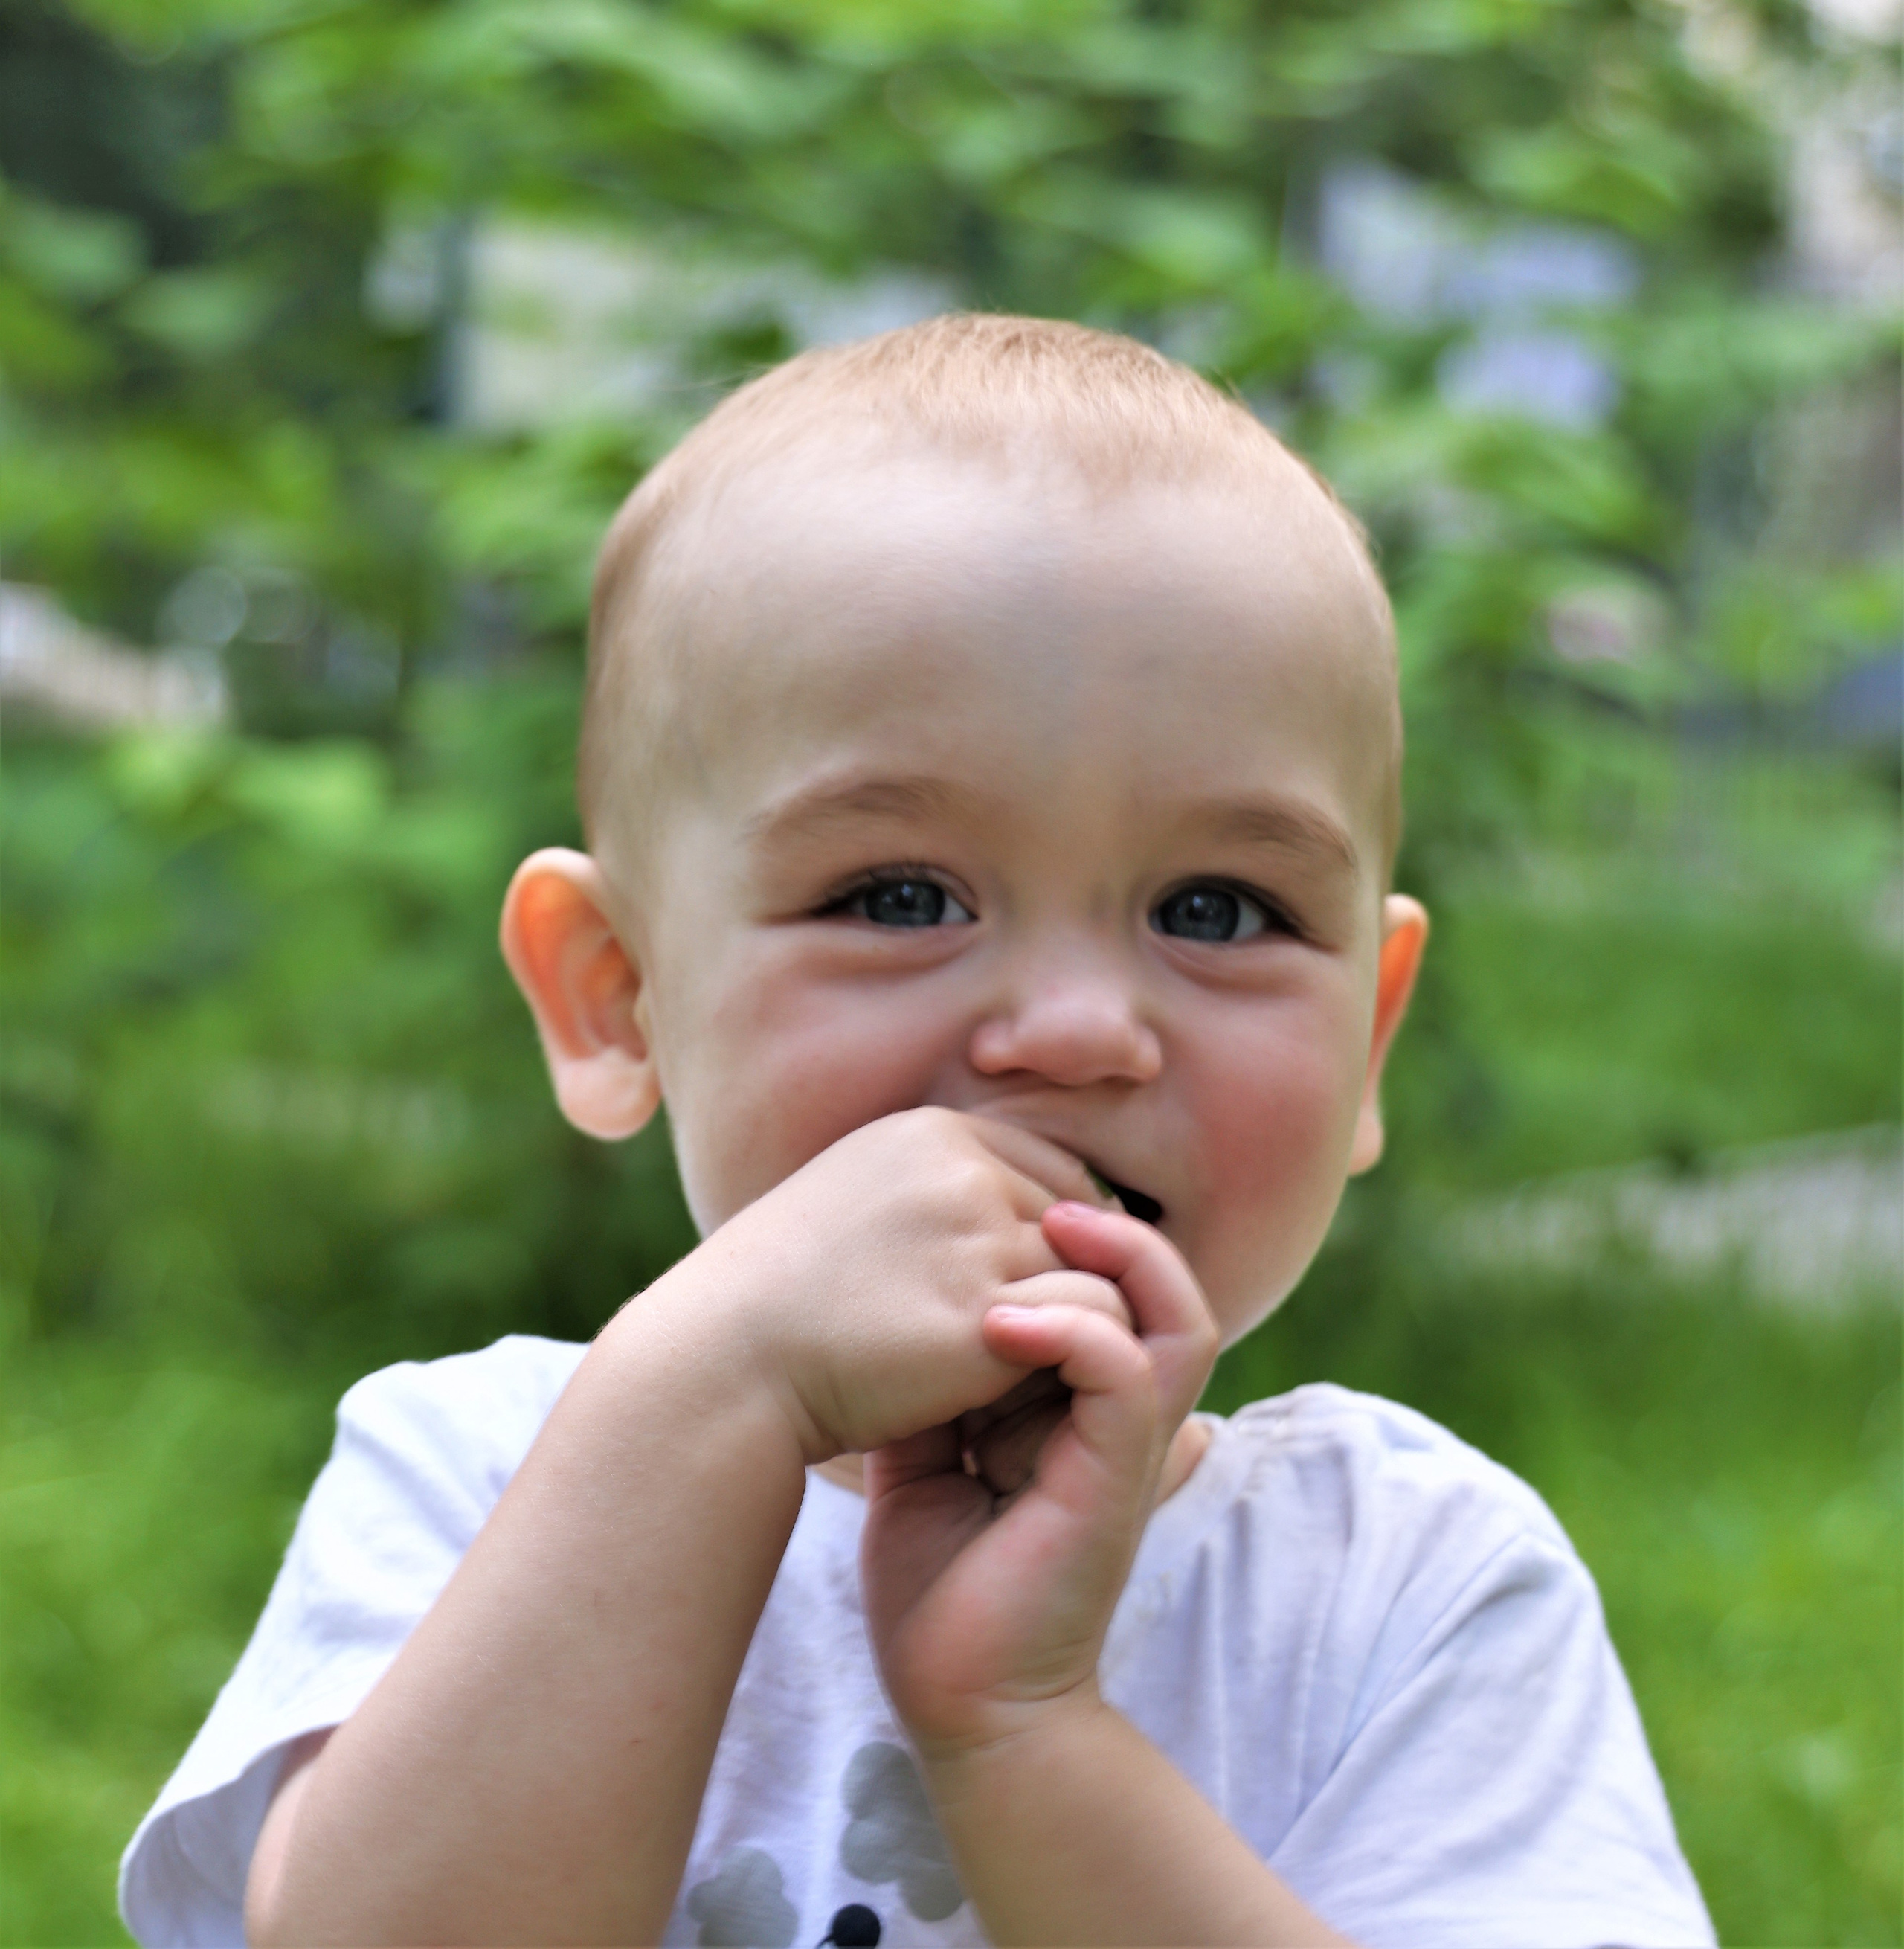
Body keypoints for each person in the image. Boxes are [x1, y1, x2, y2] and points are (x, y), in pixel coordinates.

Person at [121, 315, 1714, 1949]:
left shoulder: (1404, 1588)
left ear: (1366, 1035)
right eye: (897, 896)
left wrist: (1021, 1730)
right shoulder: (482, 1482)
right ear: (617, 998)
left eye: (1216, 908)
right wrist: (721, 1387)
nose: (1078, 1028)